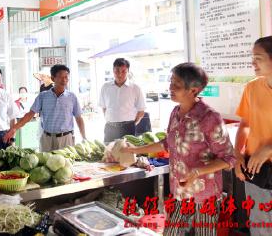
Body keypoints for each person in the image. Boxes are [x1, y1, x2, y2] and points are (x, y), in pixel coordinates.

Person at [122, 62, 235, 236]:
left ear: (193, 90)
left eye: (177, 84)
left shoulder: (209, 118)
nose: (170, 87)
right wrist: (135, 150)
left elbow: (229, 158)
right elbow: (166, 143)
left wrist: (197, 172)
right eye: (171, 82)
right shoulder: (175, 112)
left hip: (205, 196)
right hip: (180, 193)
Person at [234, 36, 272, 235]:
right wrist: (238, 154)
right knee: (259, 225)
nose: (252, 62)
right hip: (256, 171)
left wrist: (269, 147)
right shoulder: (252, 88)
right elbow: (245, 124)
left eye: (258, 57)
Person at [4, 64, 86, 152]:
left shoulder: (72, 97)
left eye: (66, 77)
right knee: (45, 164)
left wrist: (84, 137)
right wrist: (14, 128)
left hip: (66, 139)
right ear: (53, 78)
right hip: (47, 139)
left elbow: (78, 118)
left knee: (66, 164)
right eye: (61, 77)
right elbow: (30, 115)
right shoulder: (43, 96)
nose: (64, 80)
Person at [99, 58, 146, 143]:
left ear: (128, 71)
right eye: (117, 71)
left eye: (123, 71)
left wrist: (132, 124)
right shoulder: (105, 87)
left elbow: (141, 111)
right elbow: (104, 107)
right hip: (110, 128)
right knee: (109, 153)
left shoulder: (135, 88)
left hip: (128, 128)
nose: (120, 74)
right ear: (113, 71)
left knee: (127, 154)